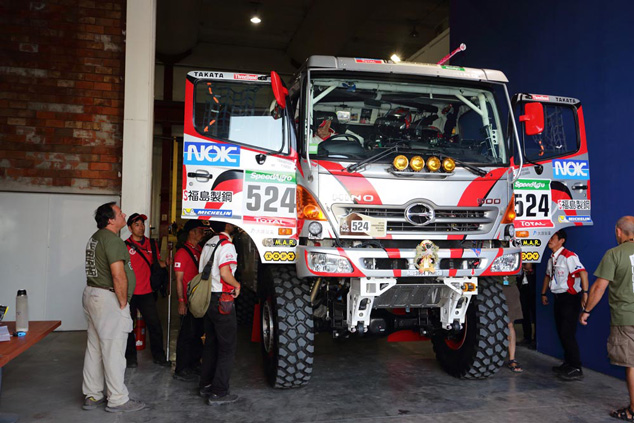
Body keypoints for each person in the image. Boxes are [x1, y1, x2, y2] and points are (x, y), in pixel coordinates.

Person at [82, 202, 145, 413]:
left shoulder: (96, 237)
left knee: (95, 347)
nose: (124, 215)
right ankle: (117, 399)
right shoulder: (113, 240)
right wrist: (123, 303)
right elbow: (118, 275)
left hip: (93, 294)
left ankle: (92, 394)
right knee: (114, 349)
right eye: (119, 213)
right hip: (108, 298)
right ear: (110, 220)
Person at [580, 216, 634, 420]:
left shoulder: (614, 254)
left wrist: (586, 311)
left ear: (618, 231)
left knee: (632, 364)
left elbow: (599, 287)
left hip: (626, 318)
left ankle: (633, 411)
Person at [198, 221, 241, 405]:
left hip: (208, 298)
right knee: (227, 348)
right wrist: (237, 284)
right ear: (227, 225)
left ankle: (206, 385)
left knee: (211, 344)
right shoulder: (226, 244)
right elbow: (225, 273)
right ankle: (219, 392)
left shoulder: (209, 242)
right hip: (222, 300)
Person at [123, 213, 170, 368]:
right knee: (128, 326)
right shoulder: (124, 246)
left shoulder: (152, 244)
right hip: (130, 293)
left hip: (147, 292)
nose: (141, 227)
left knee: (154, 325)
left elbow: (155, 264)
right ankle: (130, 358)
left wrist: (166, 263)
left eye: (142, 224)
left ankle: (159, 356)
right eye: (137, 224)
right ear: (130, 228)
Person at [541, 229, 589, 381]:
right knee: (561, 332)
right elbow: (548, 276)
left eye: (553, 237)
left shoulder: (569, 256)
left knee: (567, 333)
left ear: (561, 240)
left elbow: (583, 273)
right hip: (558, 298)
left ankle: (576, 367)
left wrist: (585, 293)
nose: (549, 240)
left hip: (570, 298)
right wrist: (543, 293)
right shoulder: (551, 259)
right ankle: (568, 363)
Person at [173, 219, 207, 381]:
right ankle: (181, 368)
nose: (202, 233)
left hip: (197, 301)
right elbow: (178, 279)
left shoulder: (199, 249)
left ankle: (194, 363)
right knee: (186, 336)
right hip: (187, 301)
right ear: (192, 232)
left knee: (196, 334)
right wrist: (181, 301)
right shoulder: (182, 253)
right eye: (200, 230)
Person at [502, 275, 524, 373]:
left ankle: (512, 358)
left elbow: (527, 265)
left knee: (509, 324)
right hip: (489, 283)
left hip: (507, 286)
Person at [518, 263, 537, 348]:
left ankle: (536, 339)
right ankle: (527, 337)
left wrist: (531, 269)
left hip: (534, 289)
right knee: (524, 313)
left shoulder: (534, 258)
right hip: (522, 289)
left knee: (535, 313)